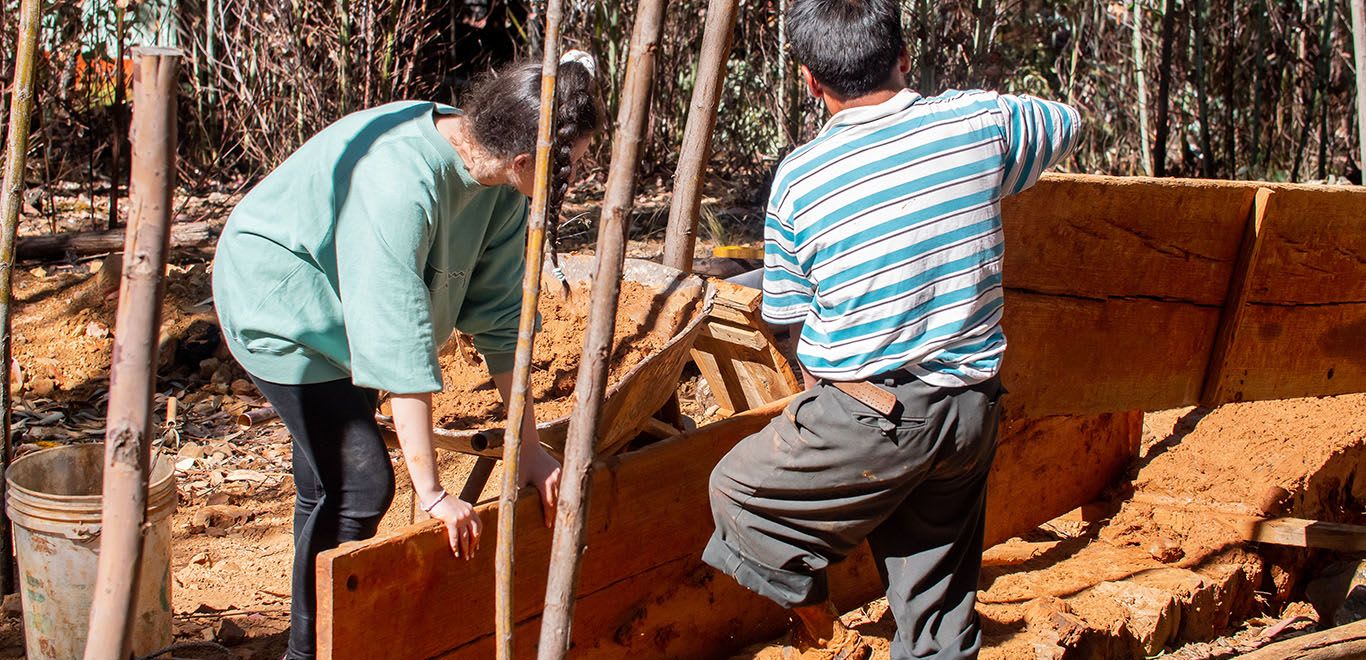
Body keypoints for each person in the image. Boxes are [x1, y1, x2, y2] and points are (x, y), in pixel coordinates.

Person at [702, 2, 1081, 659]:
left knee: (736, 494)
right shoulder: (980, 124)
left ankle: (819, 622)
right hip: (969, 410)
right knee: (936, 611)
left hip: (873, 415)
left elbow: (785, 315)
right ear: (904, 57)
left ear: (809, 81)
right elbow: (1067, 120)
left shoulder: (802, 180)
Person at [211, 53, 605, 659]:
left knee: (328, 482)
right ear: (526, 159)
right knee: (361, 486)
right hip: (284, 301)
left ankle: (311, 636)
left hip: (349, 310)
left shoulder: (501, 182)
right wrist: (433, 493)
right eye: (572, 168)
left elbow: (503, 322)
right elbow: (399, 343)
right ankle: (309, 651)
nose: (577, 180)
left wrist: (527, 450)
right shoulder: (402, 184)